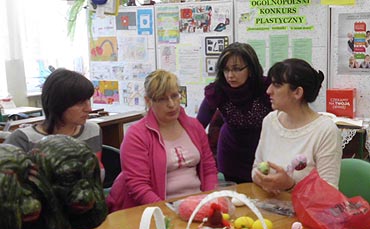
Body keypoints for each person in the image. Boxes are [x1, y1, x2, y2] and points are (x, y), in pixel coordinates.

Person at [106, 69, 218, 212]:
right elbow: (138, 185)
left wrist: (208, 200)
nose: (171, 104)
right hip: (160, 209)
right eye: (162, 99)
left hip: (197, 204)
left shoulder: (194, 126)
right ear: (148, 101)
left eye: (175, 96)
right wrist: (167, 211)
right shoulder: (136, 135)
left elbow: (209, 169)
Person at [252, 58, 342, 195]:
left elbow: (329, 192)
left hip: (305, 213)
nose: (268, 91)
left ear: (297, 93)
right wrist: (263, 180)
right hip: (270, 208)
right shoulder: (269, 121)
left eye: (276, 85)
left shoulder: (325, 131)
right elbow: (255, 169)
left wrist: (290, 185)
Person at [196, 42, 272, 183]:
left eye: (237, 69)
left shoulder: (266, 88)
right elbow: (197, 126)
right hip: (231, 154)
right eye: (226, 70)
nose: (230, 75)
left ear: (250, 69)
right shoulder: (218, 90)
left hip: (263, 153)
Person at [5, 68, 103, 173]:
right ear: (58, 104)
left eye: (88, 100)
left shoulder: (92, 131)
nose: (89, 109)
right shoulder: (23, 139)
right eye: (80, 103)